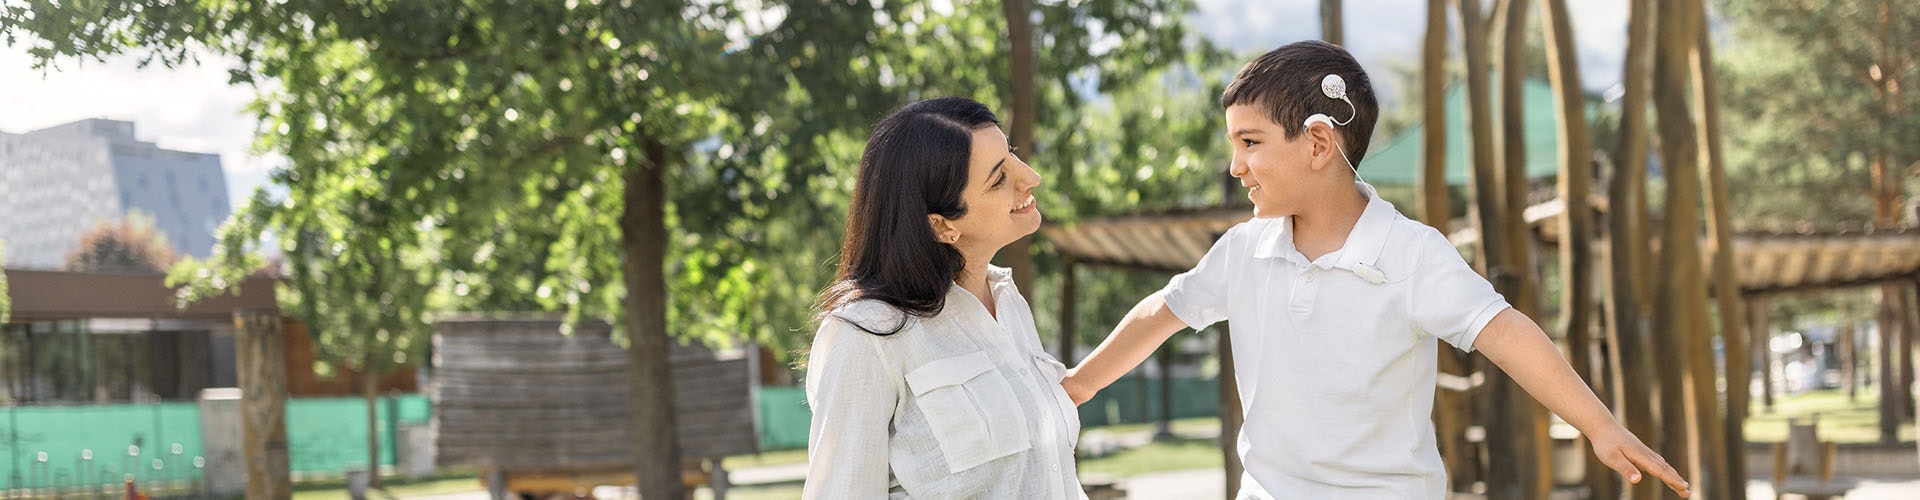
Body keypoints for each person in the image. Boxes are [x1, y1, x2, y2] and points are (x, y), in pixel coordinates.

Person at [1060, 40, 1692, 499]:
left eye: (1249, 143)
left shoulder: (1411, 254)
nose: (1235, 166)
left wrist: (1599, 426)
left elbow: (1506, 333)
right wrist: (1077, 388)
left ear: (1316, 143)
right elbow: (1162, 313)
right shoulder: (1242, 249)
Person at [802, 97, 1085, 499]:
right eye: (998, 178)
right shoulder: (868, 336)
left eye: (1013, 156)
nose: (1030, 177)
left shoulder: (1007, 302)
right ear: (941, 225)